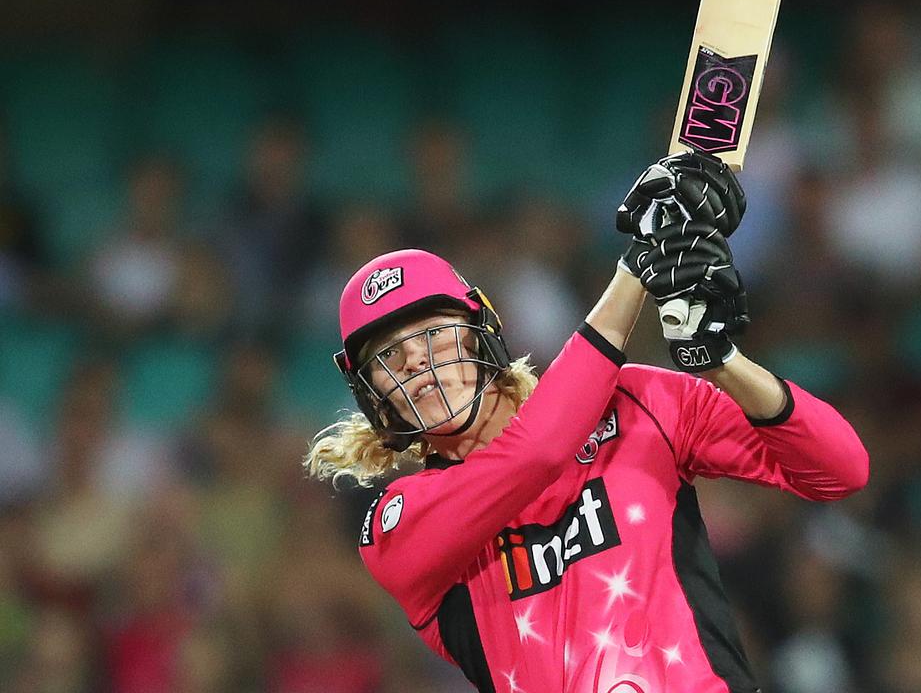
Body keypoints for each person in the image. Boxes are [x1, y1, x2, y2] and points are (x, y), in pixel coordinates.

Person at [305, 152, 870, 693]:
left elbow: (841, 468)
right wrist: (637, 269)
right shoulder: (395, 526)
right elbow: (539, 452)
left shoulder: (636, 402)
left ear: (482, 331)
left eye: (431, 334)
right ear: (370, 393)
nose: (417, 366)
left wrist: (725, 365)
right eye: (388, 357)